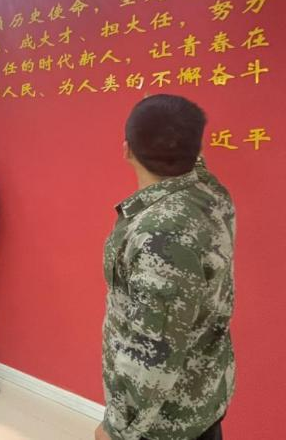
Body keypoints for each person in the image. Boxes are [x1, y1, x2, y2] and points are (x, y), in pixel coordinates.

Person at [97, 95, 235, 440]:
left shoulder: (160, 234)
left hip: (164, 422)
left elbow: (154, 350)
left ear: (126, 150)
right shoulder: (208, 191)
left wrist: (116, 429)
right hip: (203, 396)